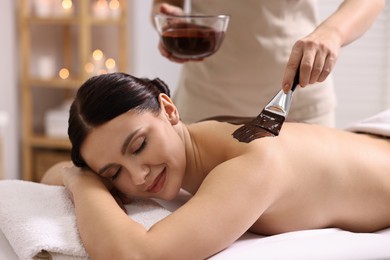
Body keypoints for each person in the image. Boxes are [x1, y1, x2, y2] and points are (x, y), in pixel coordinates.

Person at [41, 72, 390, 259]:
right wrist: (80, 173)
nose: (138, 176)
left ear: (170, 110)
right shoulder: (206, 137)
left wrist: (82, 181)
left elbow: (136, 255)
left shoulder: (252, 163)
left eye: (139, 145)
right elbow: (47, 175)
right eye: (113, 173)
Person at [151, 0, 385, 126]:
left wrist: (332, 33)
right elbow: (165, 4)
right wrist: (168, 19)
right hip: (205, 104)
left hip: (297, 103)